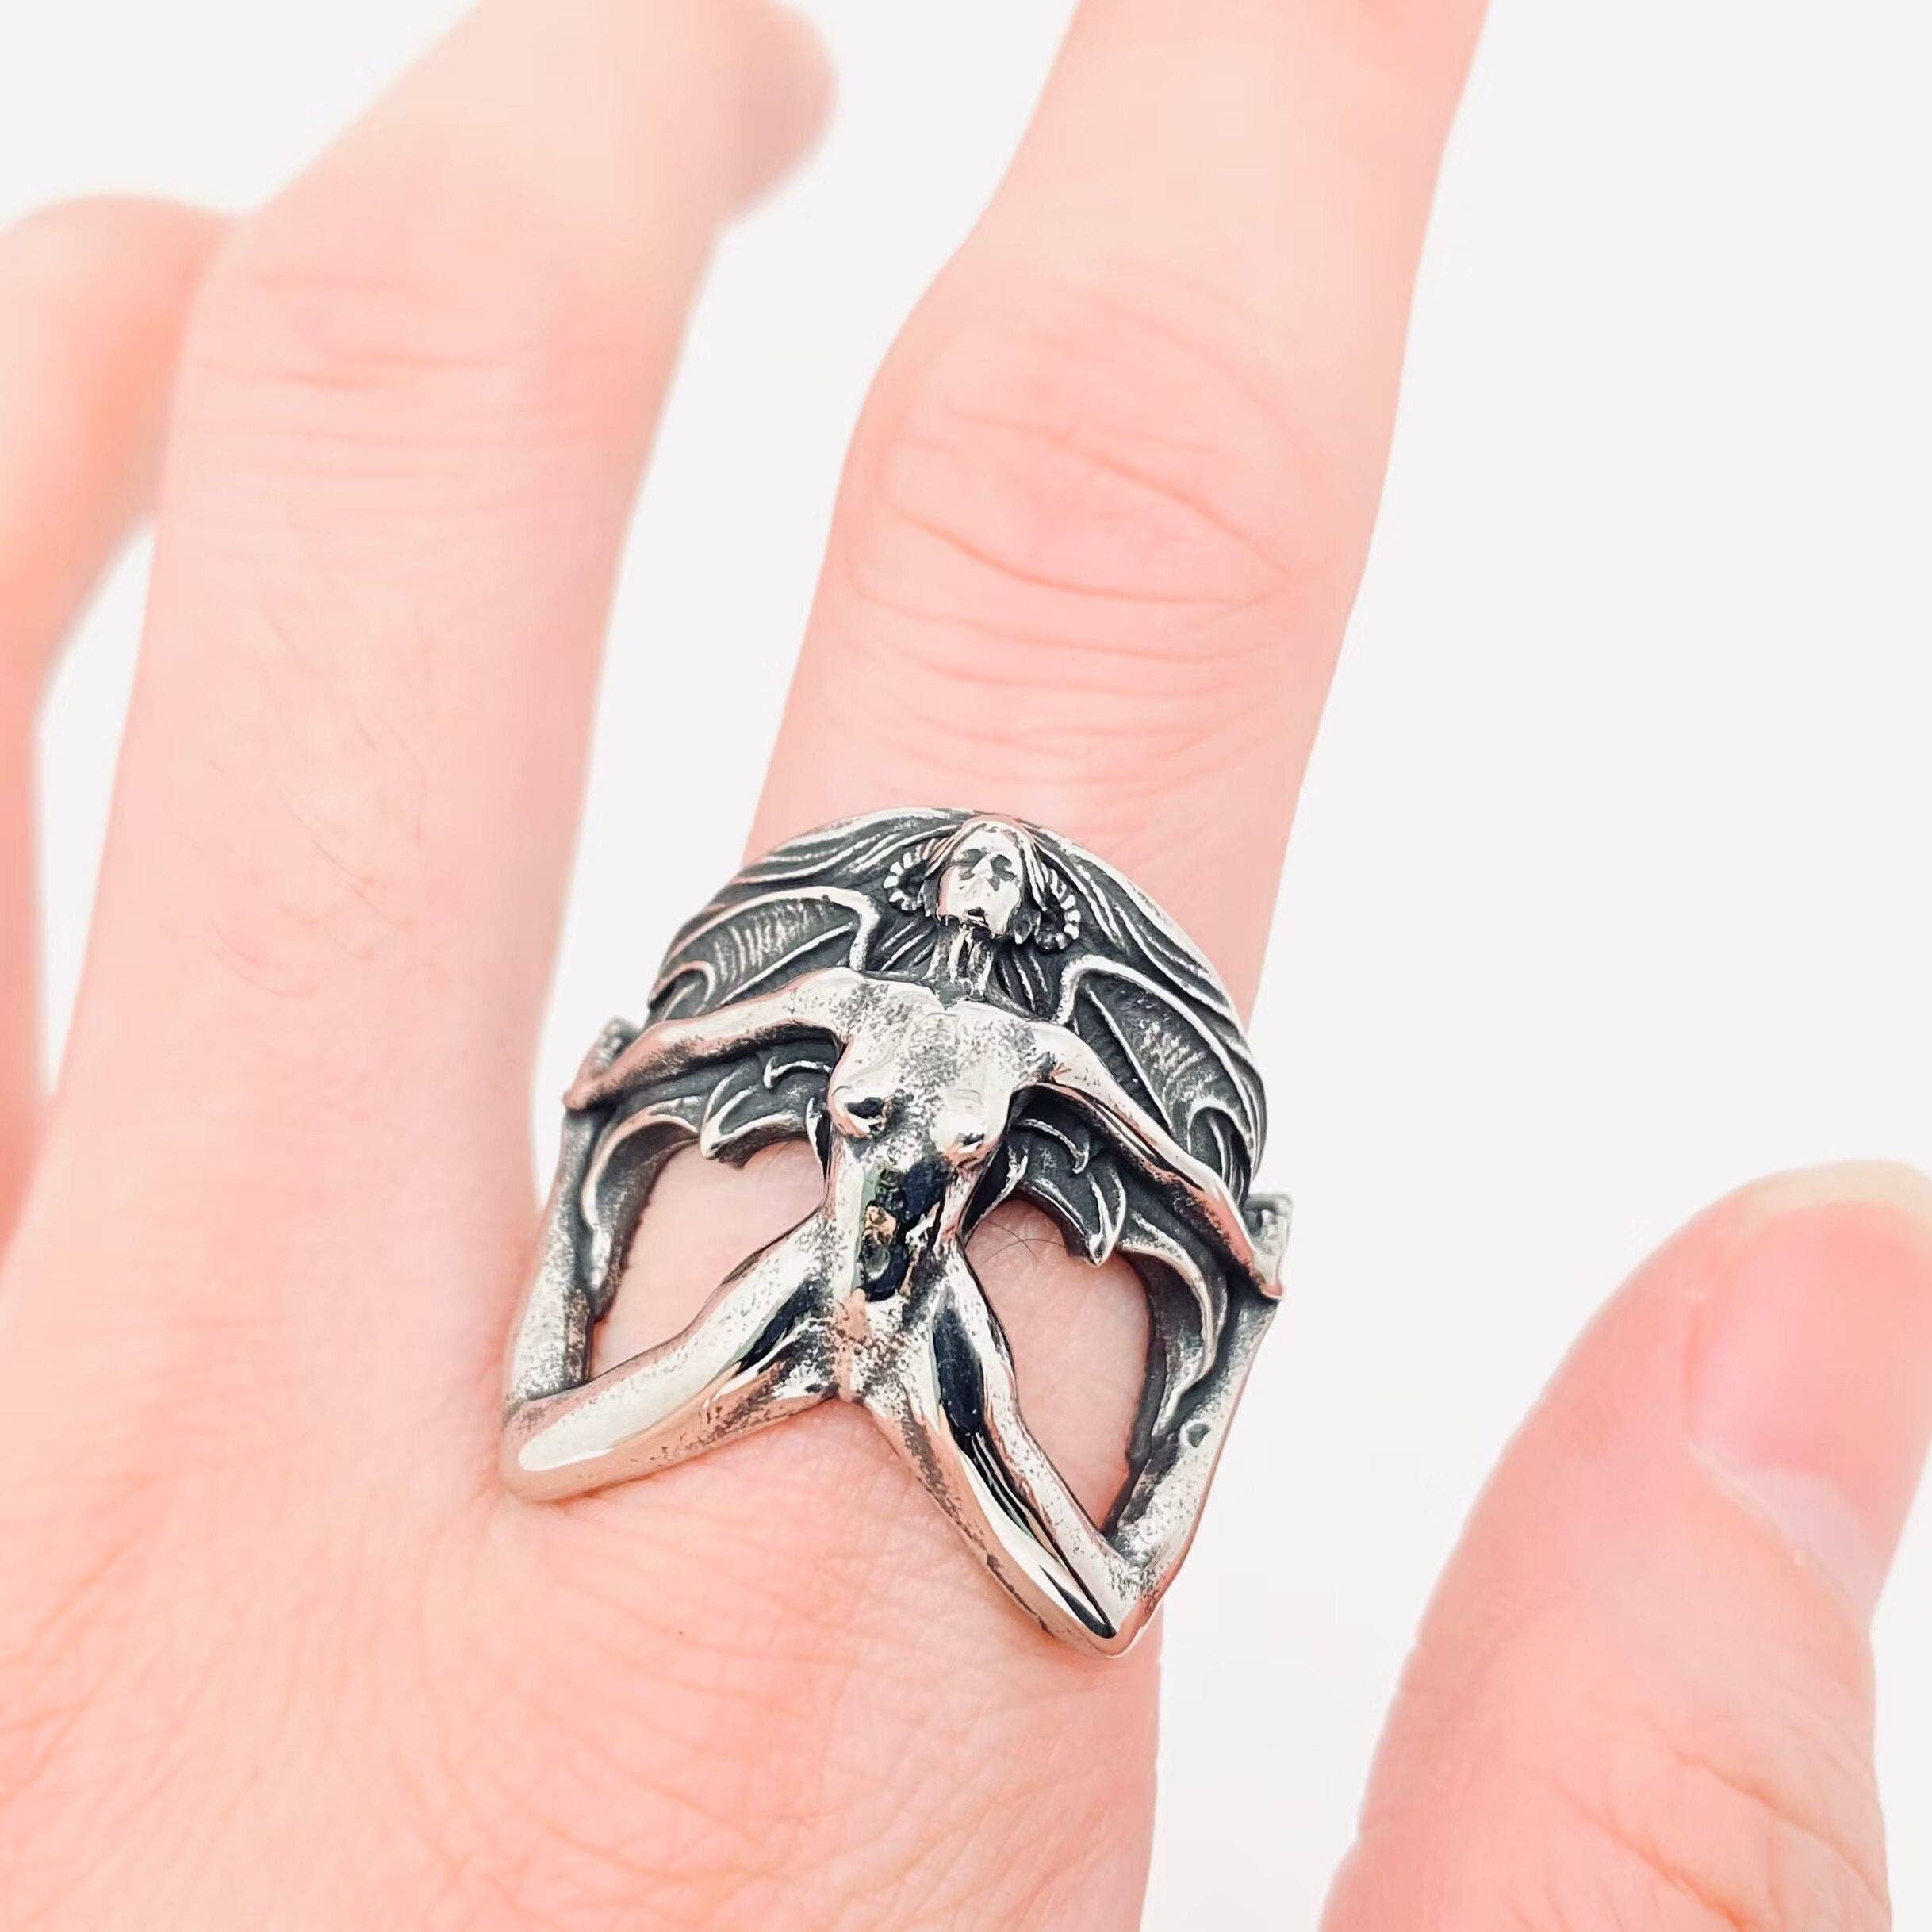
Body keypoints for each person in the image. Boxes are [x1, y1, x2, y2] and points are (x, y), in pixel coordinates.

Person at [0, 1, 1923, 1926]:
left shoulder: (1020, 1116)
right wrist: (629, 1107)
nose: (993, 883)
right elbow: (740, 1057)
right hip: (803, 1274)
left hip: (926, 1300)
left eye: (1008, 882)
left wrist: (1214, 1269)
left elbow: (1133, 1189)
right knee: (644, 1415)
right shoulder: (841, 1057)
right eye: (981, 874)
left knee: (1028, 1530)